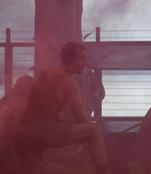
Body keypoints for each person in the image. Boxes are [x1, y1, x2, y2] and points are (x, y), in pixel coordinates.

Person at [13, 42, 110, 174]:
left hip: (22, 132)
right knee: (94, 129)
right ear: (68, 59)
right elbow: (81, 119)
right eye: (80, 59)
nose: (84, 63)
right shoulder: (68, 82)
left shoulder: (45, 74)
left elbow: (39, 106)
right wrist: (95, 98)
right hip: (42, 129)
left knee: (37, 168)